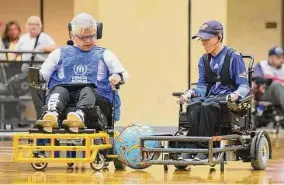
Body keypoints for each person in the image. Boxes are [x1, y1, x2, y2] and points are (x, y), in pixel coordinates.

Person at [37, 13, 129, 131]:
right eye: (83, 37)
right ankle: (51, 115)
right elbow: (42, 75)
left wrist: (117, 76)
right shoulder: (59, 53)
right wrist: (38, 77)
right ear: (72, 35)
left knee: (87, 89)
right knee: (59, 89)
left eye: (92, 36)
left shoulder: (105, 54)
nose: (88, 41)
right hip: (66, 99)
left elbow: (124, 74)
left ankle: (79, 115)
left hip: (97, 100)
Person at [178, 20, 250, 161]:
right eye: (202, 40)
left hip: (227, 99)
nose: (204, 43)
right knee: (194, 104)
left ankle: (205, 149)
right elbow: (202, 87)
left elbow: (244, 86)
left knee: (208, 105)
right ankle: (192, 146)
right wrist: (190, 93)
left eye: (207, 39)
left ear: (219, 37)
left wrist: (236, 94)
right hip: (211, 97)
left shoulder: (233, 57)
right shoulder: (204, 60)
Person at [14, 16, 57, 119]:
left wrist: (42, 48)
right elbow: (15, 53)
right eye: (30, 24)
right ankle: (21, 118)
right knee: (23, 96)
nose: (33, 26)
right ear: (26, 26)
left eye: (36, 24)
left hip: (40, 73)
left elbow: (54, 47)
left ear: (40, 26)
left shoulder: (44, 37)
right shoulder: (23, 38)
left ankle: (41, 118)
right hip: (26, 72)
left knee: (38, 97)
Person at [252, 46, 284, 114]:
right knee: (276, 85)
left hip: (281, 95)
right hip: (265, 93)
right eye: (278, 58)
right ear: (270, 58)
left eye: (283, 57)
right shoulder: (262, 65)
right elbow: (255, 78)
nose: (282, 60)